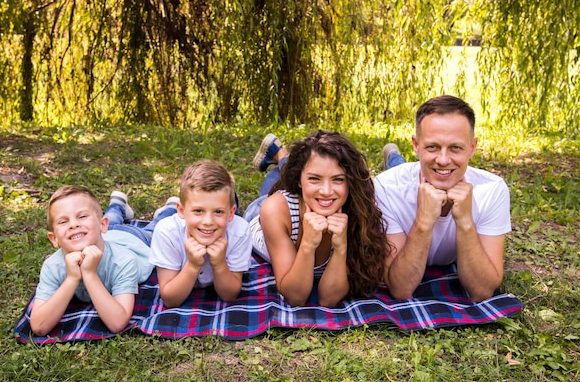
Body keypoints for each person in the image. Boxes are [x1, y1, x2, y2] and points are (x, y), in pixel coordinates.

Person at [375, 95, 511, 302]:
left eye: (456, 148)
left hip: (420, 171)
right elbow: (400, 289)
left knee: (430, 168)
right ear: (416, 145)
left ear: (472, 147)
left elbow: (482, 291)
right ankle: (394, 156)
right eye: (432, 147)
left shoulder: (492, 190)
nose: (444, 159)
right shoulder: (385, 187)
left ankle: (396, 156)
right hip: (404, 175)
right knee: (398, 167)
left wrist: (465, 221)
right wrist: (423, 221)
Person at [246, 130, 389, 307]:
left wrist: (340, 247)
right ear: (300, 180)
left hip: (305, 195)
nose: (326, 190)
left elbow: (328, 299)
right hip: (261, 213)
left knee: (305, 179)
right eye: (315, 178)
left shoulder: (356, 211)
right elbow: (295, 297)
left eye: (337, 179)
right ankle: (281, 155)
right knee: (269, 190)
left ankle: (280, 155)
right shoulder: (275, 209)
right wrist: (308, 244)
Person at [29, 186, 175, 336]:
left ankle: (169, 209)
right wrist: (72, 279)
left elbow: (118, 323)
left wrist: (90, 274)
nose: (73, 224)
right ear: (54, 239)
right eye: (63, 221)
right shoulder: (52, 266)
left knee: (154, 229)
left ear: (101, 225)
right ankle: (117, 204)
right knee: (110, 222)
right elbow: (39, 326)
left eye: (82, 216)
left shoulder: (124, 261)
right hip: (103, 235)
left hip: (132, 239)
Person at [149, 160, 252, 308]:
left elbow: (229, 295)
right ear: (181, 210)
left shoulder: (240, 232)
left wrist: (220, 264)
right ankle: (167, 210)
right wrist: (192, 265)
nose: (208, 221)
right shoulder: (166, 232)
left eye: (218, 212)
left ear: (231, 213)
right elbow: (170, 300)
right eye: (198, 211)